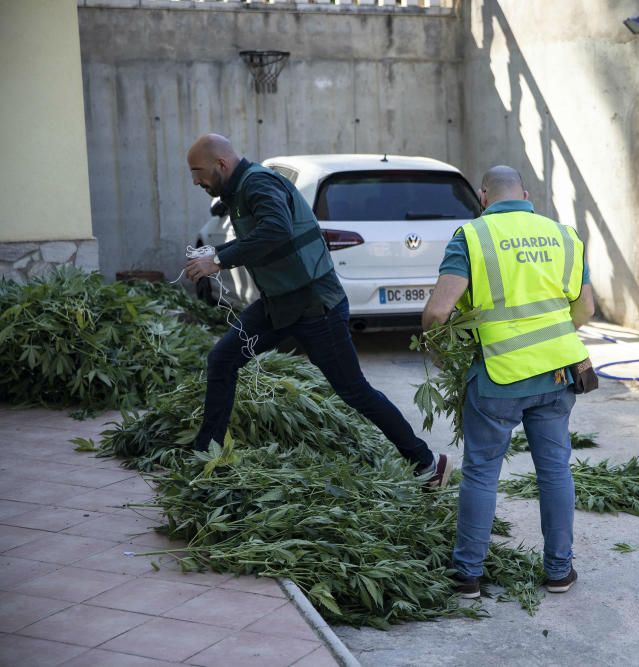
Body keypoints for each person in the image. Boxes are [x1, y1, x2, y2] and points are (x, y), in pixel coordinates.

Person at [183, 134, 451, 486]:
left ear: (221, 164)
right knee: (222, 359)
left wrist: (218, 259)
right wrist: (215, 253)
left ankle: (427, 463)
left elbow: (276, 230)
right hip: (280, 304)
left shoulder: (258, 183)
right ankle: (207, 456)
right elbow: (262, 235)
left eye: (198, 172)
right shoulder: (239, 189)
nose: (195, 181)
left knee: (354, 390)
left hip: (315, 306)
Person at [422, 165, 596, 599]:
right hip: (557, 375)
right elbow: (585, 310)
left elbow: (437, 312)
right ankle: (559, 572)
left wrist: (442, 355)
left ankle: (468, 576)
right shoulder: (563, 235)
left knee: (481, 473)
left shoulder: (473, 237)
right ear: (527, 193)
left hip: (498, 376)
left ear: (484, 197)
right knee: (555, 470)